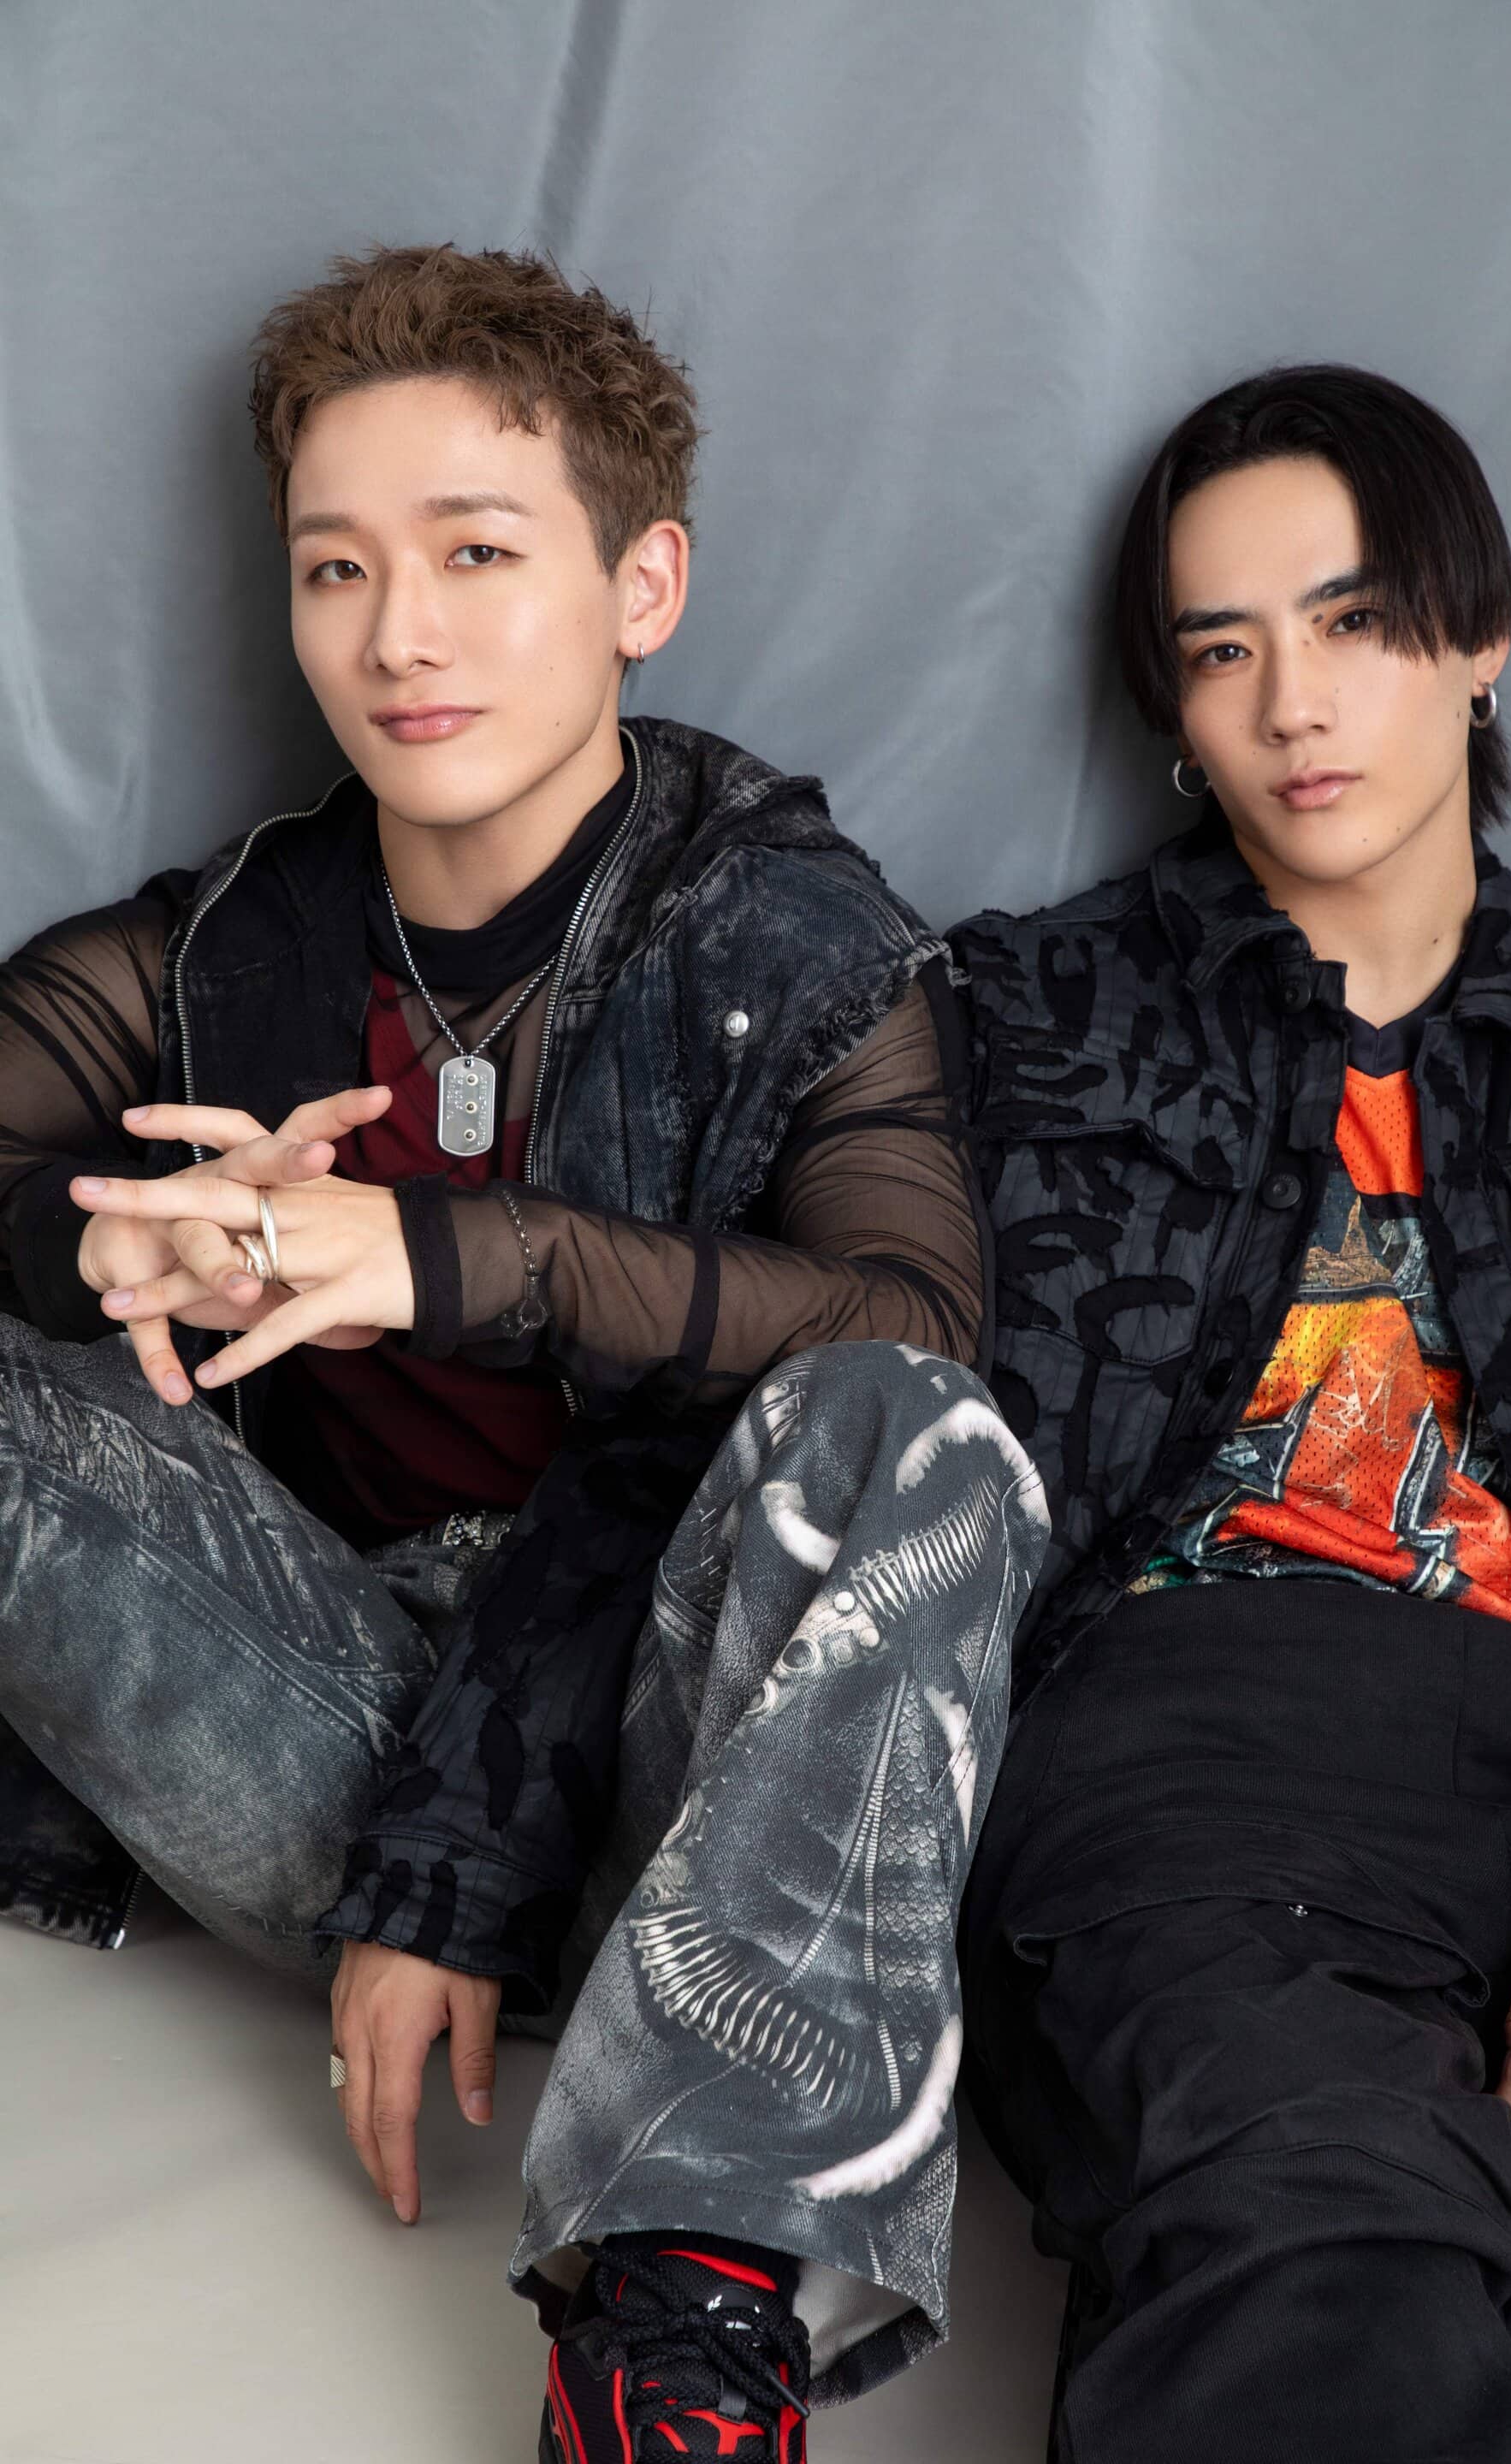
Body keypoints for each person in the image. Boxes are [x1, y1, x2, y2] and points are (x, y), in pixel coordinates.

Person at [0, 243, 1049, 2462]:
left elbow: (913, 1324)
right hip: (314, 1731)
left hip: (703, 1816)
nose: (400, 634)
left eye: (477, 553)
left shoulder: (794, 933)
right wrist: (108, 1242)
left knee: (915, 1425)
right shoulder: (224, 946)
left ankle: (680, 2320)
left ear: (639, 585)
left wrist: (441, 1257)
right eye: (336, 568)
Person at [954, 365, 1511, 2461]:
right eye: (1223, 649)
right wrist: (451, 1877)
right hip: (1186, 1765)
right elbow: (753, 1383)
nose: (1293, 705)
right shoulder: (1023, 1019)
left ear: (1480, 636)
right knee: (1325, 2245)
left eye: (1351, 622)